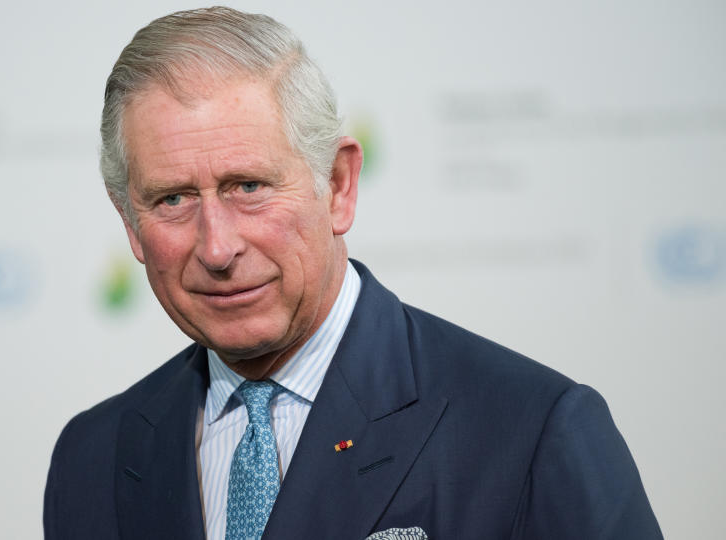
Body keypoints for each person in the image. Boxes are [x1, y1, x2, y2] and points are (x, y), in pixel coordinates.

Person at [44, 7, 662, 539]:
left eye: (249, 186)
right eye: (173, 199)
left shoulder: (533, 432)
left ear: (338, 186)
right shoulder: (92, 457)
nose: (217, 246)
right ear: (129, 222)